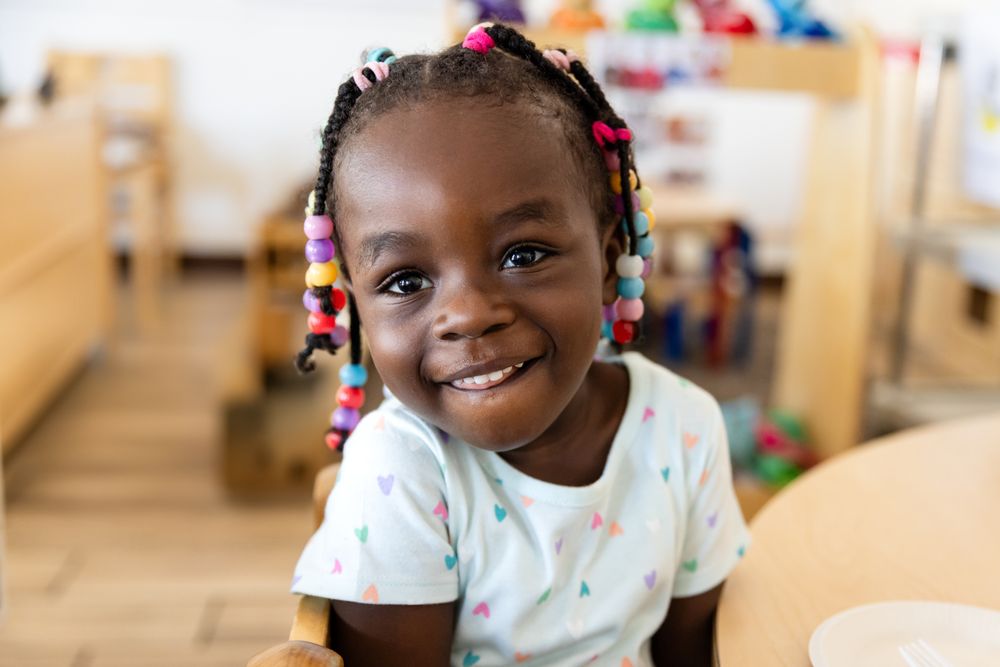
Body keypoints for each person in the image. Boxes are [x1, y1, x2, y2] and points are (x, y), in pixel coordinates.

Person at [291, 23, 749, 667]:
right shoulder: (399, 473)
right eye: (406, 281)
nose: (469, 316)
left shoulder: (683, 428)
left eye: (523, 254)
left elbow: (697, 652)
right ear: (356, 304)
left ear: (609, 258)